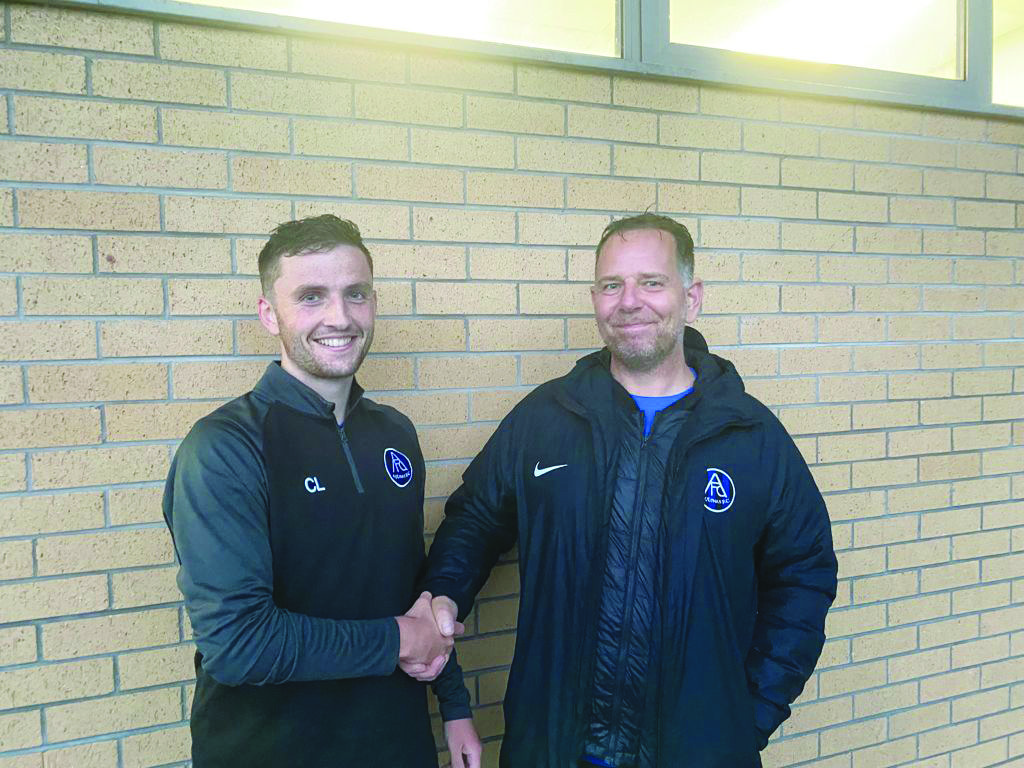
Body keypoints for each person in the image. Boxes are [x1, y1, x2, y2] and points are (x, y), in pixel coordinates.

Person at [423, 213, 838, 767]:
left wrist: (749, 715)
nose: (629, 301)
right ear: (594, 298)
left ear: (691, 298)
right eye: (611, 285)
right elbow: (473, 519)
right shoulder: (546, 419)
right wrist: (446, 593)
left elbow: (804, 575)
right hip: (553, 749)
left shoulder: (751, 435)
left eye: (651, 282)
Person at [163, 214, 482, 768]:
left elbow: (410, 586)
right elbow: (238, 645)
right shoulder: (225, 447)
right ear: (270, 314)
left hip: (394, 742)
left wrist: (454, 704)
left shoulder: (394, 433)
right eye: (311, 297)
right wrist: (399, 641)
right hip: (268, 750)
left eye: (355, 294)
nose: (339, 316)